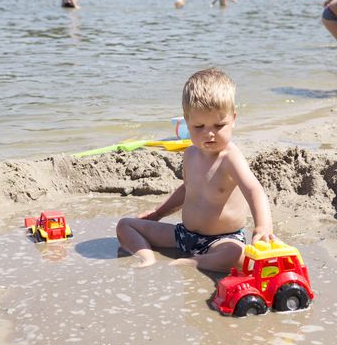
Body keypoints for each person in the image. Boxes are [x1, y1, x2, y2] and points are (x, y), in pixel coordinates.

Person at [116, 68, 276, 272]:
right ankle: (145, 257)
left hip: (223, 240)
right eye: (199, 126)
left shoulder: (230, 157)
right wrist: (158, 212)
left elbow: (254, 190)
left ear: (233, 118)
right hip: (184, 235)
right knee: (125, 225)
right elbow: (188, 190)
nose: (209, 134)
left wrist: (263, 226)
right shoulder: (191, 154)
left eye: (219, 125)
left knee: (237, 256)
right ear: (187, 121)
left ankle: (194, 262)